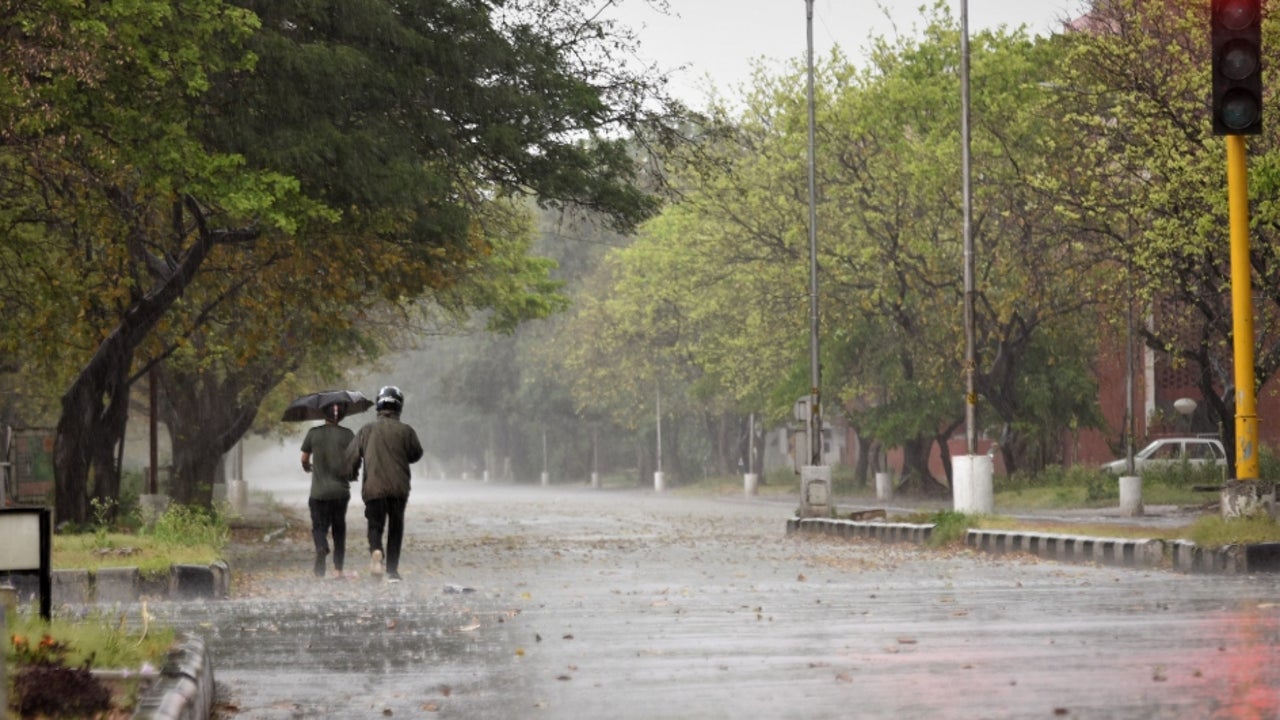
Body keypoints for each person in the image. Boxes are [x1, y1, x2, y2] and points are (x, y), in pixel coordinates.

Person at [345, 385, 423, 583]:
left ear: (379, 405)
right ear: (399, 407)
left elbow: (351, 456)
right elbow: (416, 454)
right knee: (396, 527)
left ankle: (376, 551)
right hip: (399, 489)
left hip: (374, 488)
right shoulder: (406, 431)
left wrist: (351, 473)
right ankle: (393, 572)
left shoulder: (366, 430)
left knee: (375, 525)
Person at [300, 402, 356, 579]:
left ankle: (321, 547)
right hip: (340, 492)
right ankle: (338, 571)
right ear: (341, 416)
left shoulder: (313, 434)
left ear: (324, 415)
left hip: (318, 493)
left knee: (319, 527)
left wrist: (307, 466)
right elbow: (354, 459)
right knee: (339, 529)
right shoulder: (348, 435)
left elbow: (304, 458)